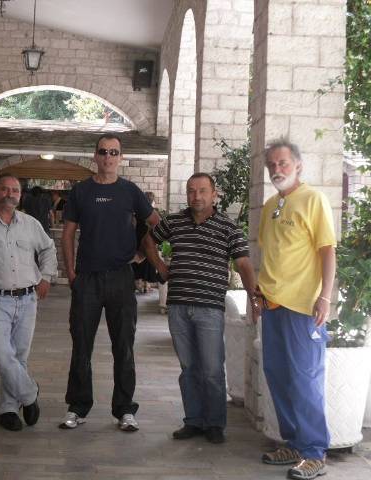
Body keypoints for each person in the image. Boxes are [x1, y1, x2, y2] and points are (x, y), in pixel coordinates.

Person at [145, 172, 257, 444]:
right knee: (189, 368)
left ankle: (215, 423)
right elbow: (148, 240)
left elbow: (243, 264)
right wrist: (160, 265)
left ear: (214, 194)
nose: (196, 196)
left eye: (202, 191)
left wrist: (254, 298)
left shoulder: (228, 227)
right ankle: (193, 421)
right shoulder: (174, 222)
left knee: (212, 369)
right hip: (178, 307)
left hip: (209, 308)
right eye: (191, 191)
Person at [59, 133, 159, 432]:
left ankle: (125, 410)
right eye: (103, 152)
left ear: (121, 157)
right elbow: (68, 234)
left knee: (124, 346)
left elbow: (157, 224)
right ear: (95, 156)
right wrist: (71, 273)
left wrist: (141, 255)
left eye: (114, 152)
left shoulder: (130, 191)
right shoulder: (81, 191)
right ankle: (78, 407)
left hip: (121, 278)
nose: (108, 157)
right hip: (87, 278)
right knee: (81, 345)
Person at [257, 140, 336, 480]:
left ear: (298, 165)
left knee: (305, 379)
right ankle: (293, 443)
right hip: (272, 305)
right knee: (278, 375)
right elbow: (270, 254)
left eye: (283, 163)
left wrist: (325, 297)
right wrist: (259, 293)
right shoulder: (270, 205)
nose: (277, 169)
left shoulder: (313, 199)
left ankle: (314, 452)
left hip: (303, 307)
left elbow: (327, 250)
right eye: (272, 165)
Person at [0, 173, 58, 431]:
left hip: (28, 298)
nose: (9, 194)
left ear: (20, 195)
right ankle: (29, 393)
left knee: (19, 356)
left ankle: (8, 410)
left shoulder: (30, 224)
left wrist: (46, 276)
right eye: (4, 189)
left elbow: (48, 248)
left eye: (15, 190)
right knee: (0, 352)